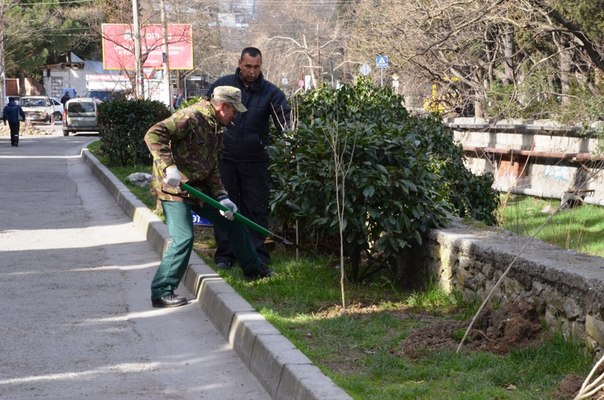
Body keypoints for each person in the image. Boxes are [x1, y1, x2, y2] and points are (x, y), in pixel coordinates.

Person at [144, 85, 273, 308]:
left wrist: (223, 197)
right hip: (174, 189)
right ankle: (161, 291)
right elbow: (154, 134)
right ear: (223, 106)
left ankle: (253, 269)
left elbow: (212, 166)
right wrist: (169, 167)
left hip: (198, 187)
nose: (235, 116)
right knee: (184, 238)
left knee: (233, 219)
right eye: (234, 110)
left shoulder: (217, 127)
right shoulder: (191, 116)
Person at [207, 47, 291, 269]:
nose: (252, 71)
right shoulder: (222, 85)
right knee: (225, 207)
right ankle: (225, 254)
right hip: (225, 158)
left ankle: (257, 254)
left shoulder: (271, 93)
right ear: (239, 63)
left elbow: (286, 122)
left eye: (256, 67)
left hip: (256, 160)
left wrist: (289, 144)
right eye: (248, 66)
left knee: (255, 208)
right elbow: (205, 112)